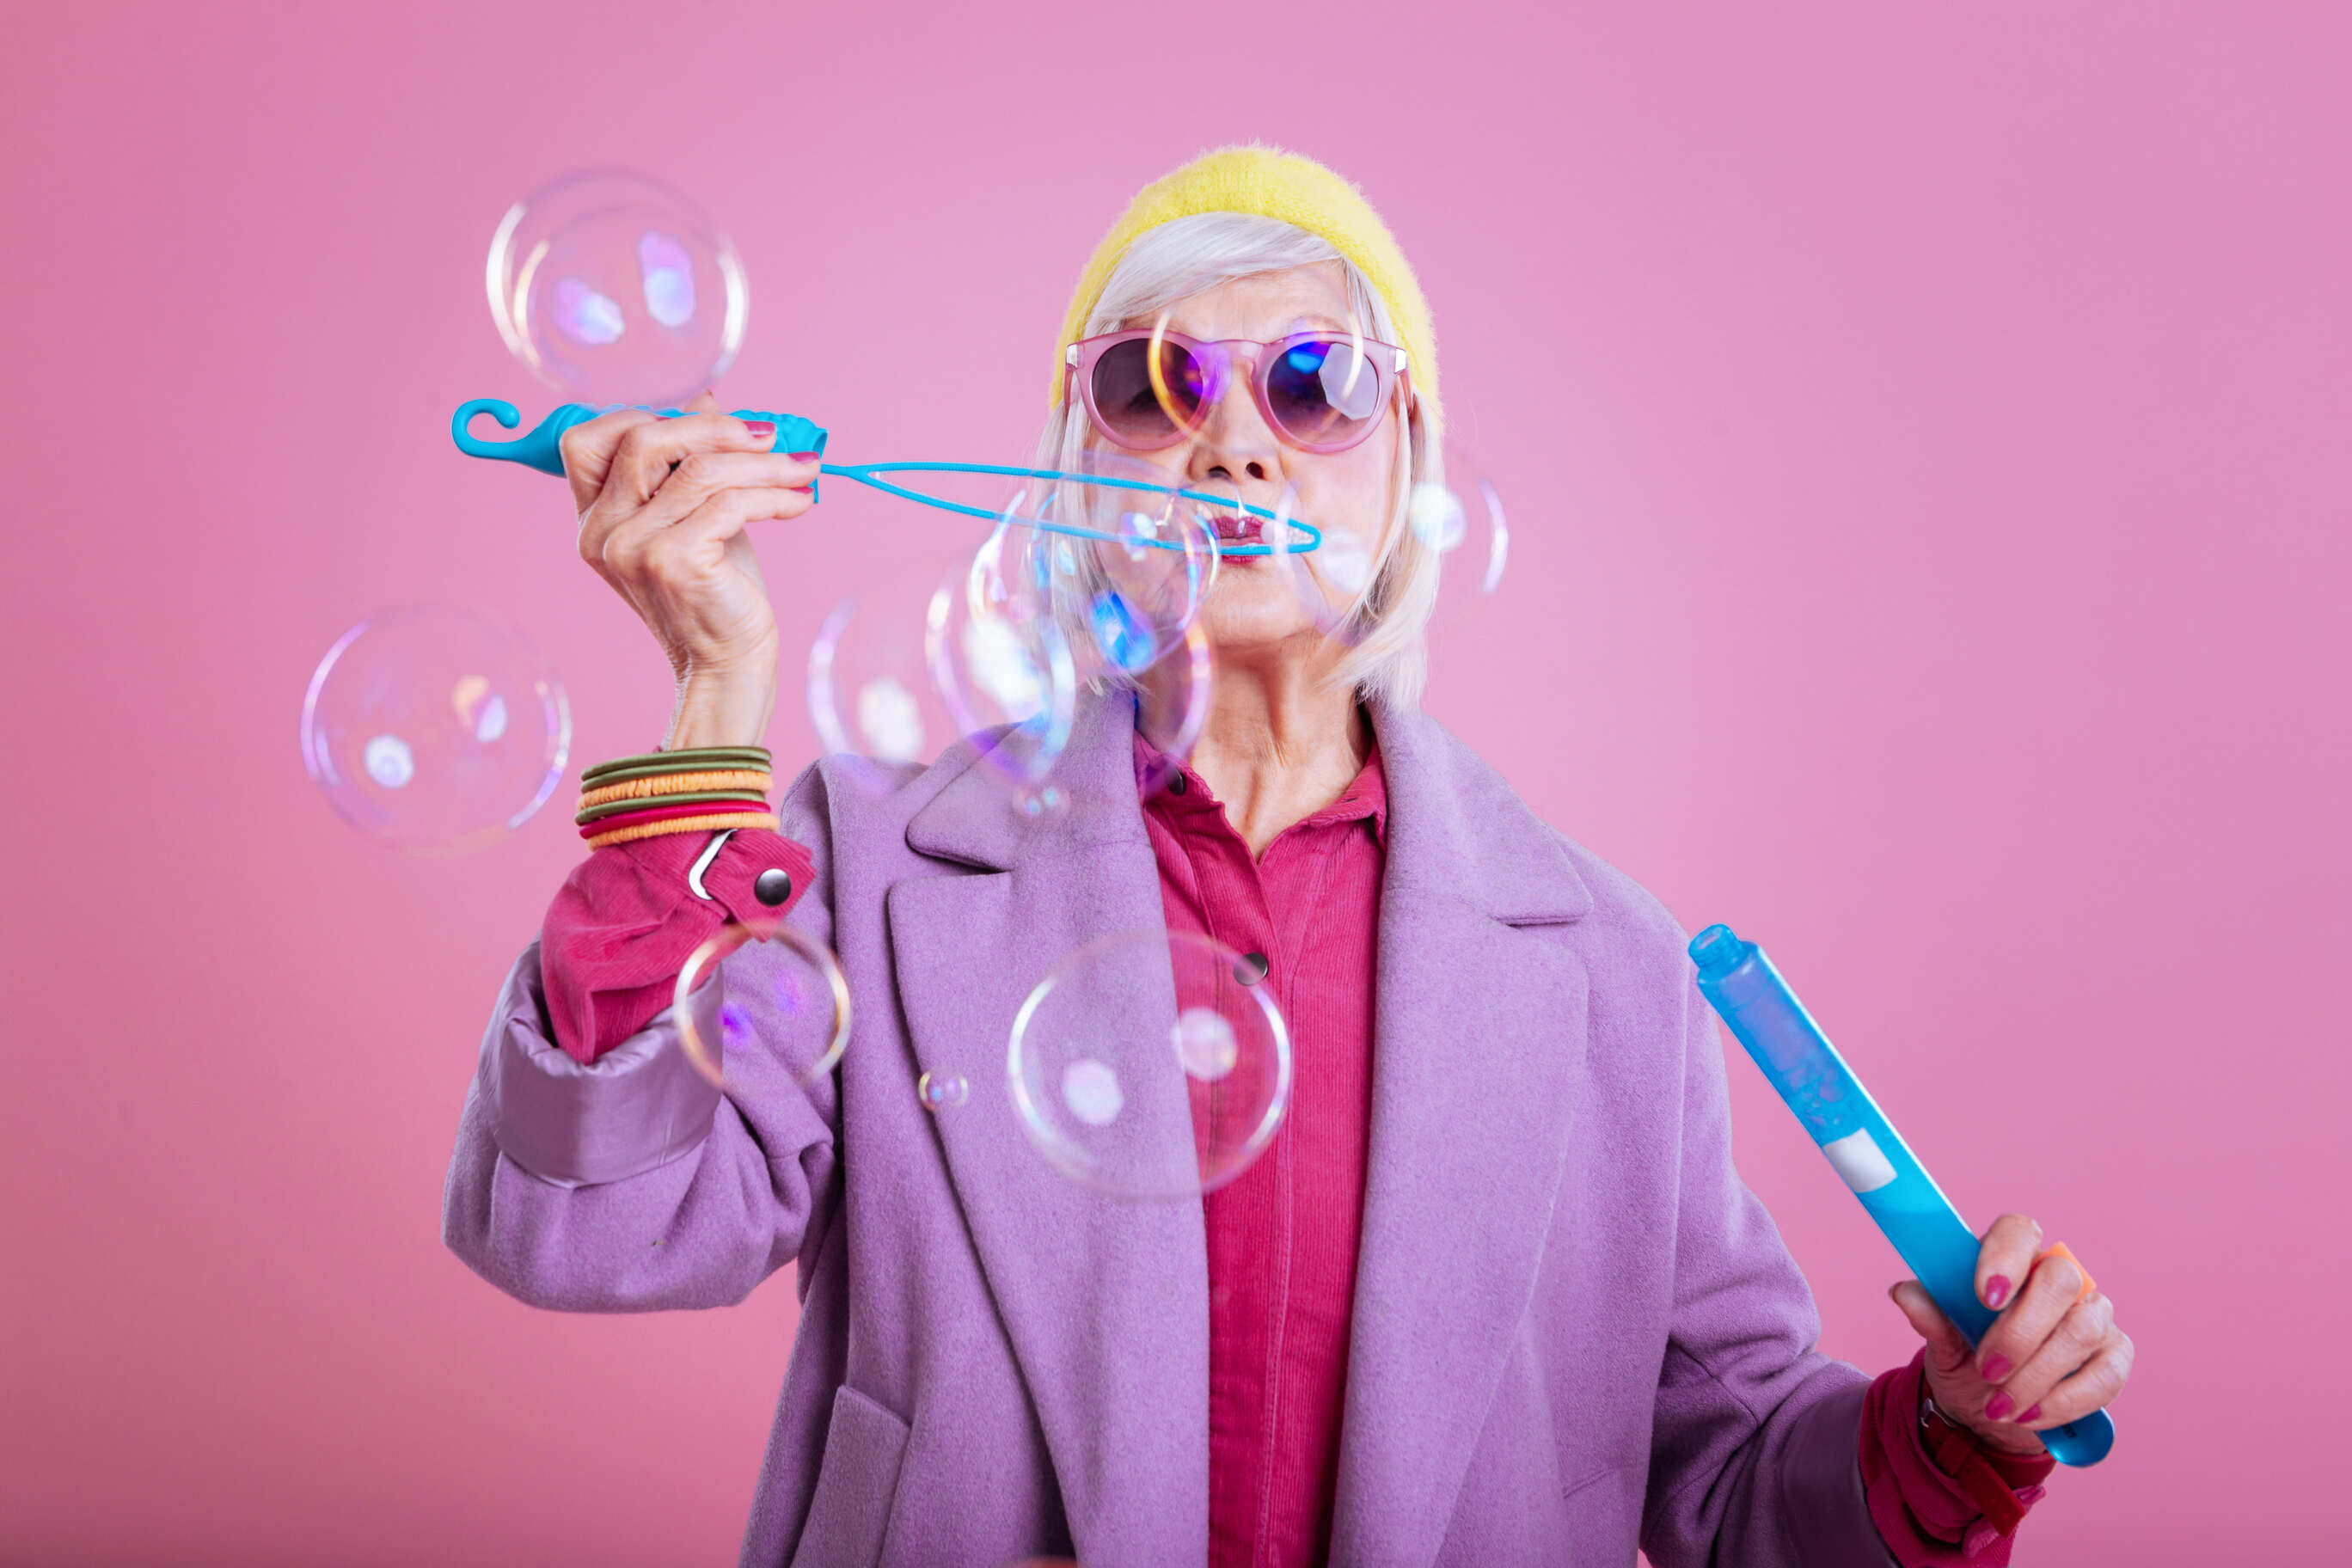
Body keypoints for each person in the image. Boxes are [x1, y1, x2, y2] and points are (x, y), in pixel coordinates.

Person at [443, 146, 2133, 1568]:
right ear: (1071, 467)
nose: (1235, 446)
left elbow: (1730, 1488)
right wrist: (710, 696)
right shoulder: (866, 864)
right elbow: (598, 1229)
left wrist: (1956, 1434)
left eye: (1318, 388)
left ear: (1410, 472)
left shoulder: (1611, 967)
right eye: (1149, 386)